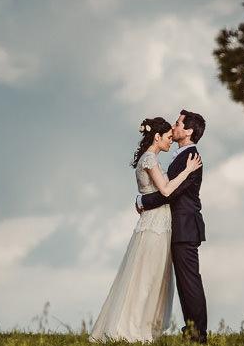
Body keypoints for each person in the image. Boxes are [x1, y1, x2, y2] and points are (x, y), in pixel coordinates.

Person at [89, 116, 202, 343]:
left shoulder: (155, 158)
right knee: (146, 276)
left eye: (174, 133)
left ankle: (145, 326)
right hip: (155, 227)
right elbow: (167, 191)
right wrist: (187, 170)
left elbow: (164, 191)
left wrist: (141, 201)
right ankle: (132, 327)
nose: (170, 139)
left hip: (161, 224)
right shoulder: (150, 158)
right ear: (157, 137)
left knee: (152, 277)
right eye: (168, 137)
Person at [135, 109, 208, 343]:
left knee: (189, 282)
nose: (174, 127)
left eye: (178, 124)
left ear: (188, 131)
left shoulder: (190, 158)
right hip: (177, 227)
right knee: (185, 283)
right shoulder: (182, 156)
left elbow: (170, 194)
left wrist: (142, 201)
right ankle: (193, 331)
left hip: (185, 227)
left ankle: (198, 335)